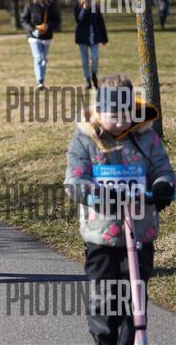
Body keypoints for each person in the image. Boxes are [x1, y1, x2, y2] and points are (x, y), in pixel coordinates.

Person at [65, 74, 174, 345]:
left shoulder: (146, 137)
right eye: (113, 116)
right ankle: (105, 341)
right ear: (99, 111)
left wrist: (163, 186)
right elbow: (74, 182)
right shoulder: (86, 139)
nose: (120, 122)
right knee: (104, 298)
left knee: (134, 296)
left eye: (126, 115)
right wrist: (99, 194)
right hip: (101, 234)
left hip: (139, 231)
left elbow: (163, 170)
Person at [21, 0, 60, 89]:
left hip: (46, 37)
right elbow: (24, 20)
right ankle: (40, 82)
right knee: (39, 58)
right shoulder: (30, 5)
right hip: (34, 37)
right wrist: (33, 29)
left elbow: (57, 20)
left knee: (44, 60)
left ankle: (41, 80)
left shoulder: (50, 6)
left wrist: (49, 26)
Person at [74, 0, 108, 90]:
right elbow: (79, 20)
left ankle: (93, 73)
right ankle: (87, 80)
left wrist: (104, 37)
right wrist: (84, 9)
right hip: (82, 38)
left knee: (95, 57)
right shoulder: (77, 6)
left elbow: (101, 22)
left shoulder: (95, 7)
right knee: (84, 61)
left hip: (94, 38)